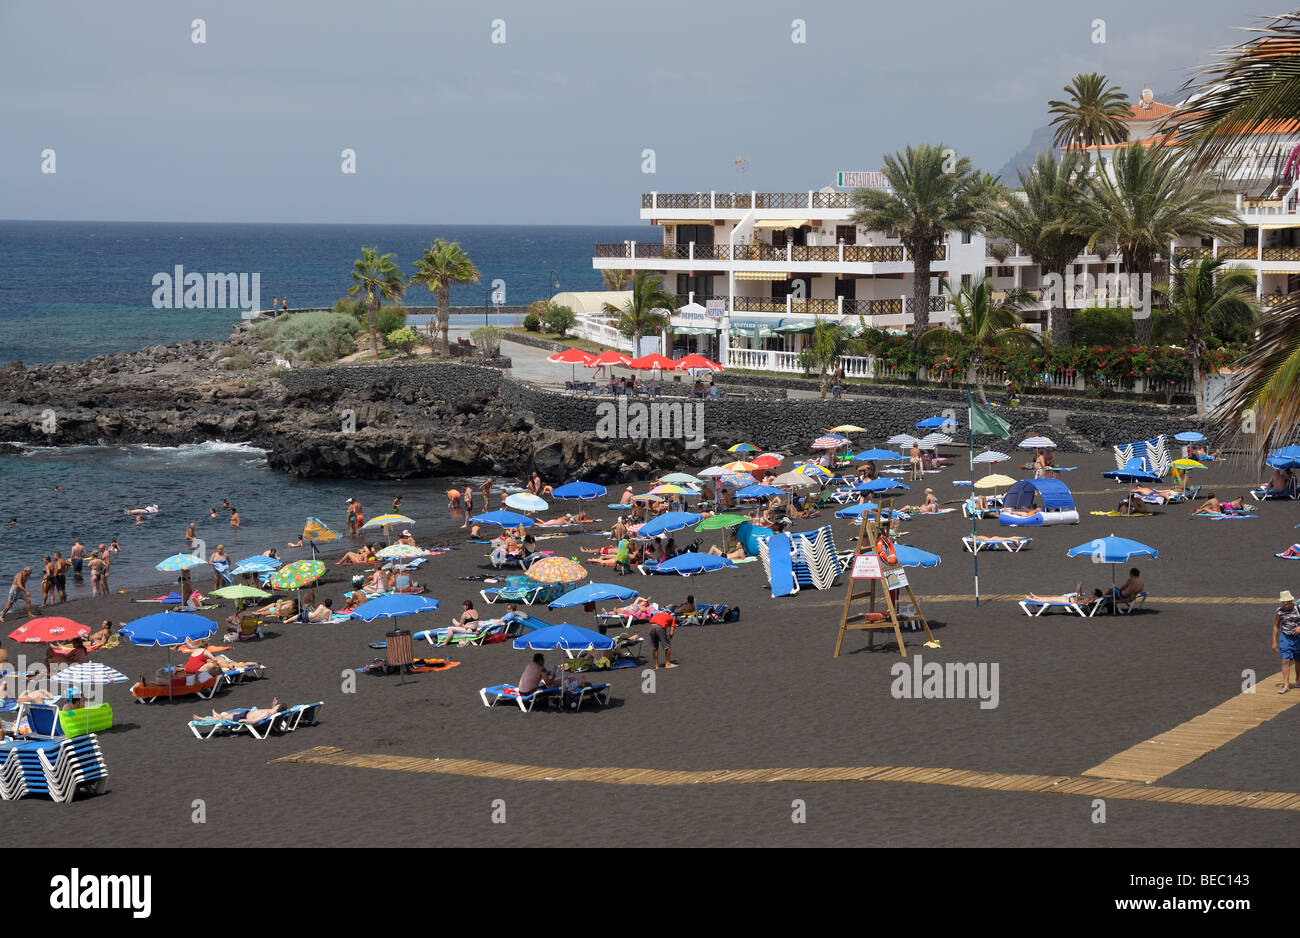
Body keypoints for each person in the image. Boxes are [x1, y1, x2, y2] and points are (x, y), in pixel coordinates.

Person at [1272, 590, 1300, 693]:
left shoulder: (1298, 608)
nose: (1285, 604)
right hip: (1285, 637)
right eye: (1283, 602)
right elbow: (1276, 626)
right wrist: (1274, 641)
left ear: (1291, 600)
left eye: (1287, 602)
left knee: (1298, 660)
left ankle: (1298, 679)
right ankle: (1286, 685)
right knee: (1285, 660)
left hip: (1298, 638)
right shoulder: (1279, 611)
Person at [197, 698, 282, 724]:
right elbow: (273, 709)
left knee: (222, 718)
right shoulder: (272, 711)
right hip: (245, 714)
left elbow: (254, 721)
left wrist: (244, 720)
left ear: (277, 709)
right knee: (232, 713)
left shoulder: (266, 713)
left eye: (277, 706)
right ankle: (217, 715)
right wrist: (274, 704)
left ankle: (203, 719)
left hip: (243, 717)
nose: (275, 706)